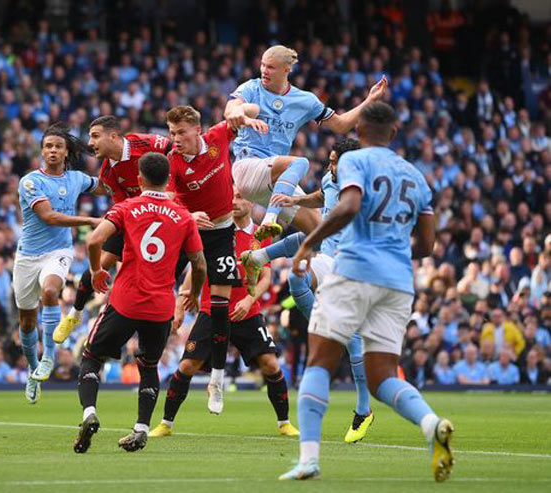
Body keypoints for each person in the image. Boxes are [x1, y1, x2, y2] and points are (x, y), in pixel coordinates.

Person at [279, 102, 454, 482]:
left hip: (354, 269)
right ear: (394, 133)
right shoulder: (416, 177)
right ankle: (431, 424)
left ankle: (308, 459)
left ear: (359, 132)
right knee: (382, 377)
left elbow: (350, 204)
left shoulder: (354, 162)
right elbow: (426, 246)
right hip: (397, 282)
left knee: (319, 363)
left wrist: (311, 241)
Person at [240, 138, 374, 443]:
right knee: (296, 278)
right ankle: (323, 326)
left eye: (336, 162)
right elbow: (321, 197)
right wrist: (298, 201)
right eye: (330, 160)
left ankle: (364, 410)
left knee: (354, 342)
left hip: (355, 267)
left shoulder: (364, 192)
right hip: (329, 260)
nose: (330, 167)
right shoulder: (330, 179)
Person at [73, 152, 206, 454]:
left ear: (139, 179)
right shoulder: (184, 217)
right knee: (148, 366)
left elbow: (94, 241)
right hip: (160, 306)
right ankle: (141, 429)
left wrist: (96, 272)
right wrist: (192, 295)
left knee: (92, 356)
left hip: (126, 301)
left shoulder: (126, 208)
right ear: (168, 179)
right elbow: (199, 264)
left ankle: (90, 413)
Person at [150, 188, 298, 438]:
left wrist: (249, 300)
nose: (234, 201)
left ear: (252, 202)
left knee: (270, 364)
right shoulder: (215, 231)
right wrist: (180, 302)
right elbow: (195, 268)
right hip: (211, 309)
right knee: (187, 366)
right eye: (232, 196)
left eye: (240, 197)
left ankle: (284, 423)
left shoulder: (261, 234)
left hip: (247, 313)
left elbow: (266, 275)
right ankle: (166, 423)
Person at [224, 45, 388, 240]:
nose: (264, 71)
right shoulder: (251, 87)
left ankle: (259, 258)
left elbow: (341, 125)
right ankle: (270, 220)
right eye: (262, 65)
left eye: (271, 67)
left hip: (278, 180)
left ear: (287, 70)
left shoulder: (305, 100)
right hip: (248, 169)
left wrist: (369, 100)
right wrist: (237, 114)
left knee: (323, 233)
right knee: (300, 163)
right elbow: (232, 108)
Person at [166, 105, 266, 414]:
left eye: (181, 132)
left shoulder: (218, 138)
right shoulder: (172, 161)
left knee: (220, 308)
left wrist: (244, 114)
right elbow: (167, 199)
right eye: (171, 133)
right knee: (159, 278)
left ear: (197, 130)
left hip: (221, 232)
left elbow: (249, 107)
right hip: (190, 231)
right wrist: (189, 215)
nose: (176, 139)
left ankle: (217, 380)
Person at [56, 115, 171, 343]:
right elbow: (122, 205)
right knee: (98, 262)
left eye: (95, 136)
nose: (91, 142)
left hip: (165, 215)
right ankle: (75, 314)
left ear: (114, 136)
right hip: (136, 218)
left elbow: (174, 149)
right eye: (90, 137)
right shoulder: (108, 172)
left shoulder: (146, 144)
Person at [14, 123, 102, 404]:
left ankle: (49, 356)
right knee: (26, 320)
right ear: (42, 151)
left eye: (58, 146)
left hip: (59, 252)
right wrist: (90, 220)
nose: (52, 150)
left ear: (66, 152)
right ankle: (32, 369)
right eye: (48, 146)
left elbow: (107, 186)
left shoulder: (77, 178)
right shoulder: (30, 182)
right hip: (28, 256)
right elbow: (49, 217)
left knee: (51, 292)